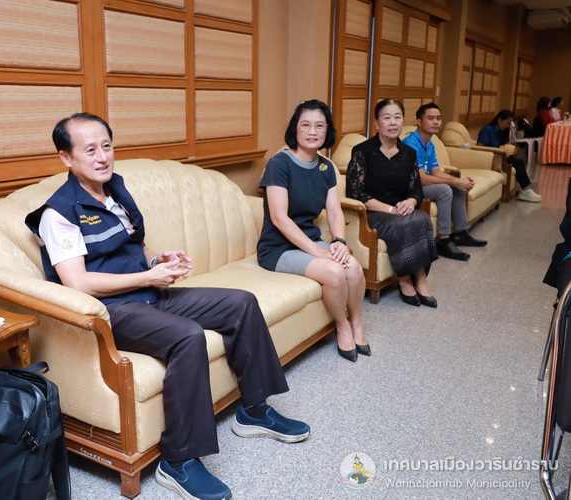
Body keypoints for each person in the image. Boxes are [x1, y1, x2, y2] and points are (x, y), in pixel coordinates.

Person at [25, 113, 310, 500]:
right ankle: (177, 461)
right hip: (111, 311)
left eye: (106, 146)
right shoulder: (58, 213)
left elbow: (136, 245)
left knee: (241, 303)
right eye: (89, 150)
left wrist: (159, 260)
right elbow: (79, 283)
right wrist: (148, 277)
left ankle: (255, 410)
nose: (102, 157)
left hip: (149, 293)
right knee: (187, 337)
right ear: (66, 158)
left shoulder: (115, 189)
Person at [257, 100, 368, 363]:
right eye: (305, 125)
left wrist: (339, 241)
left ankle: (357, 323)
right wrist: (318, 252)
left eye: (319, 126)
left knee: (353, 268)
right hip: (278, 249)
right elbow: (279, 218)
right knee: (334, 271)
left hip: (310, 241)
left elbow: (334, 212)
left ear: (327, 130)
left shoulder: (325, 167)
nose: (312, 131)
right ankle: (342, 325)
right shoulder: (279, 164)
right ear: (295, 129)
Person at [346, 99, 439, 308]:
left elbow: (416, 190)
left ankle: (420, 279)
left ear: (403, 121)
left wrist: (410, 202)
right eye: (387, 118)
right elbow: (355, 193)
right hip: (373, 212)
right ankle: (405, 279)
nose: (393, 122)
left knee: (422, 218)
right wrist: (389, 209)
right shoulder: (362, 151)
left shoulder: (409, 153)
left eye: (397, 117)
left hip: (400, 208)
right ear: (376, 123)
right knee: (401, 224)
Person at [402, 102, 486, 261]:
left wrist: (459, 181)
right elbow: (421, 179)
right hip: (410, 189)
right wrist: (453, 182)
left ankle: (460, 233)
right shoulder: (411, 143)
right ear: (419, 121)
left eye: (438, 118)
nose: (436, 122)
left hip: (422, 184)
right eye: (431, 118)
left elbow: (436, 172)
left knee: (458, 186)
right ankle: (444, 240)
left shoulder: (430, 143)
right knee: (445, 189)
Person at [477, 109, 541, 203]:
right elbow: (480, 148)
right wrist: (499, 153)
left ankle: (525, 189)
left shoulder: (499, 131)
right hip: (491, 158)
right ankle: (525, 190)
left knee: (519, 160)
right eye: (506, 123)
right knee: (517, 162)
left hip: (499, 156)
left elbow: (498, 146)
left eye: (509, 124)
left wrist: (504, 154)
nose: (507, 126)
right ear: (499, 120)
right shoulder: (487, 130)